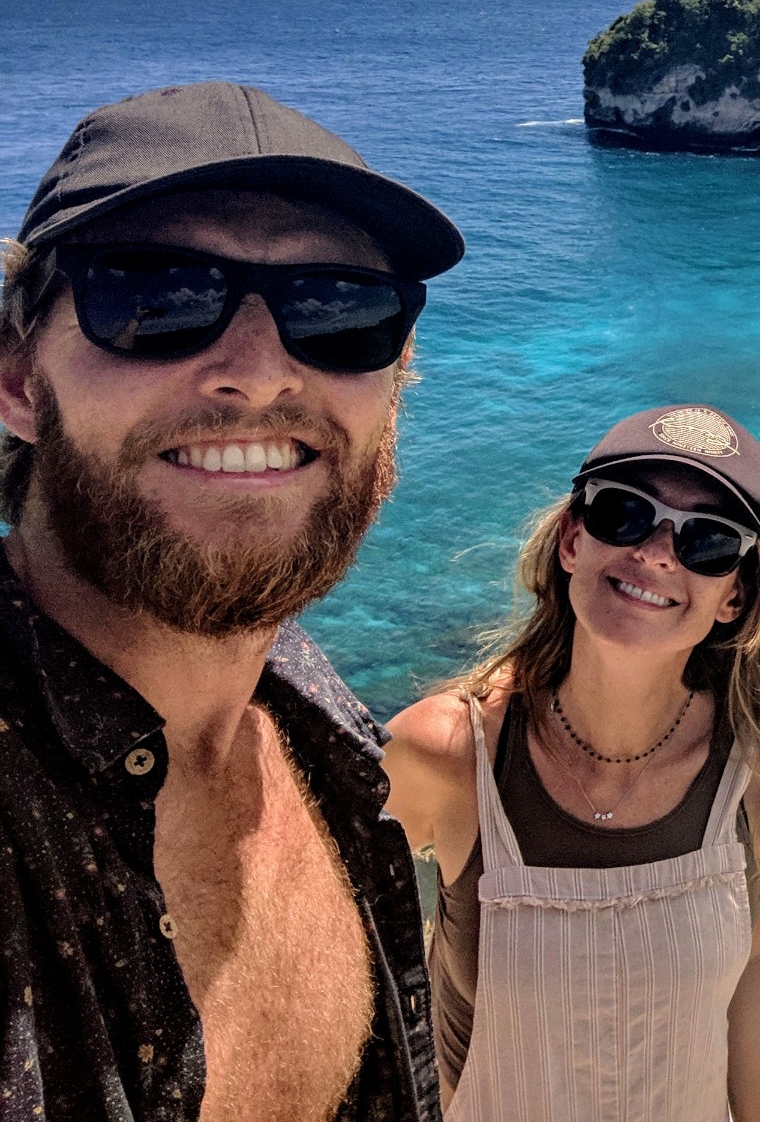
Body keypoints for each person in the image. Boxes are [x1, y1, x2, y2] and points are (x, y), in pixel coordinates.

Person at [0, 82, 462, 1122]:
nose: (256, 375)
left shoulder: (324, 726)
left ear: (391, 394)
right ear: (18, 379)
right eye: (156, 295)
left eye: (336, 307)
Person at [383, 404, 760, 1121]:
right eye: (626, 513)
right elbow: (328, 959)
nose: (660, 552)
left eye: (708, 540)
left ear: (734, 596)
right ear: (573, 539)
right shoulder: (445, 753)